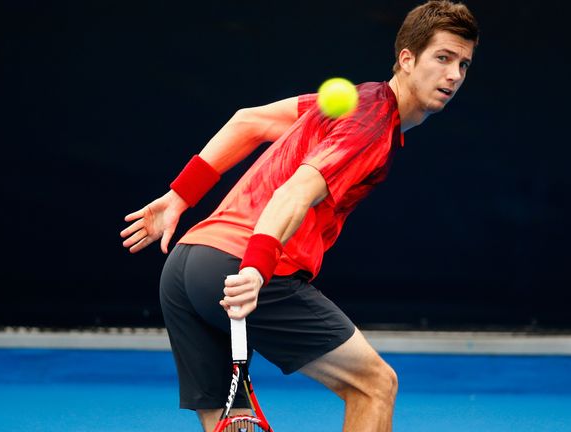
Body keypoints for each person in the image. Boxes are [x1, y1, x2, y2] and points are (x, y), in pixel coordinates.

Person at [120, 1, 478, 430]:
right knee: (374, 384)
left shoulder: (352, 103)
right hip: (242, 265)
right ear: (406, 58)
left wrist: (180, 195)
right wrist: (255, 267)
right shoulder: (372, 126)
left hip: (186, 265)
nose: (454, 75)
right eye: (443, 58)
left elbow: (247, 121)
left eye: (463, 64)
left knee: (230, 421)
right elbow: (294, 193)